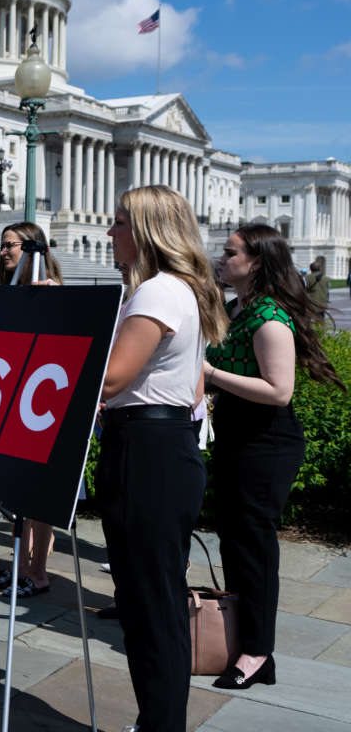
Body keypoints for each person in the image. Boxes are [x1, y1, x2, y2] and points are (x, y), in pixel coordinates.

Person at [99, 185, 228, 731]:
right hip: (162, 445)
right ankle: (158, 718)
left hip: (146, 451)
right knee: (157, 600)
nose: (111, 233)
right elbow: (194, 389)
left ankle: (160, 722)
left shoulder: (156, 292)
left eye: (121, 222)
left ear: (147, 230)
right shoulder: (184, 290)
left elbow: (110, 378)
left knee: (149, 604)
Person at [204, 225, 344, 691]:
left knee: (253, 549)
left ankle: (258, 652)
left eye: (230, 253)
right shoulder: (235, 309)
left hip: (266, 444)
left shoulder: (269, 317)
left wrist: (211, 374)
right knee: (234, 541)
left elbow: (279, 391)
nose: (221, 260)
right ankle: (242, 638)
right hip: (236, 438)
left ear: (257, 262)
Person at [0, 221, 62, 599]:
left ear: (33, 249)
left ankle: (36, 571)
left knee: (37, 496)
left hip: (42, 403)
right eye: (1, 245)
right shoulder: (9, 291)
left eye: (11, 245)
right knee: (18, 496)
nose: (4, 252)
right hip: (12, 399)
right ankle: (20, 566)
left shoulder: (49, 290)